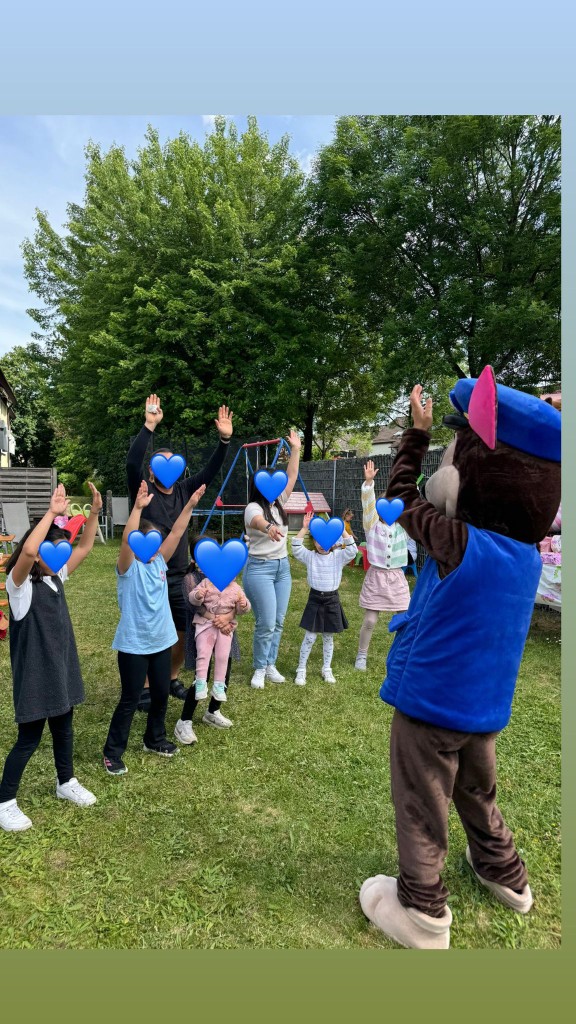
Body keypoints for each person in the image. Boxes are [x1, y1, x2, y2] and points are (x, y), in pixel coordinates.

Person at [0, 483, 102, 833]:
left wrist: (95, 514)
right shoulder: (20, 586)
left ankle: (65, 782)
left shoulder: (56, 576)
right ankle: (5, 802)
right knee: (29, 738)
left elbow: (86, 546)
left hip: (60, 668)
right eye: (51, 546)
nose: (58, 551)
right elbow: (27, 551)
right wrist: (51, 513)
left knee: (64, 728)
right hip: (35, 674)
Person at [126, 394, 234, 707]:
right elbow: (132, 462)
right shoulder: (143, 491)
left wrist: (224, 441)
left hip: (180, 576)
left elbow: (211, 472)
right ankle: (146, 687)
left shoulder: (185, 489)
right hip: (150, 576)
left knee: (182, 631)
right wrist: (149, 425)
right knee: (152, 635)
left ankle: (171, 678)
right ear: (152, 470)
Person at [102, 480, 206, 776]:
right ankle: (112, 753)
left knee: (161, 694)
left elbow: (176, 532)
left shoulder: (159, 562)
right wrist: (137, 508)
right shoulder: (128, 568)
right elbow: (125, 541)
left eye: (156, 542)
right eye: (146, 542)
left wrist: (189, 505)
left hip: (162, 641)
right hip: (134, 644)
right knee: (129, 698)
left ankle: (154, 739)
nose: (155, 546)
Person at [242, 430, 301, 689]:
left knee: (278, 621)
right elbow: (256, 521)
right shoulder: (252, 508)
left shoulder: (279, 502)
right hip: (259, 569)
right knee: (265, 622)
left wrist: (296, 450)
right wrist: (268, 528)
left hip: (283, 569)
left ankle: (269, 664)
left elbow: (291, 476)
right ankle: (258, 667)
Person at [174, 542, 242, 742]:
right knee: (201, 676)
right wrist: (218, 619)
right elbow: (192, 605)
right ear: (195, 559)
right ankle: (184, 721)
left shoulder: (227, 575)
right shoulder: (191, 579)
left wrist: (229, 617)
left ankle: (213, 711)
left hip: (224, 630)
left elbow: (235, 600)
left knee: (224, 670)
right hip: (202, 632)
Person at [355, 460, 410, 670]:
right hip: (376, 577)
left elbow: (413, 507)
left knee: (404, 620)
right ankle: (361, 655)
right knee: (370, 620)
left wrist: (407, 486)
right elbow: (367, 506)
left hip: (396, 577)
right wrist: (369, 483)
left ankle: (402, 656)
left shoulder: (403, 528)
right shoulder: (372, 526)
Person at [291, 512, 357, 685]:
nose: (322, 544)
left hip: (332, 600)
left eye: (326, 541)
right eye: (318, 540)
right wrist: (305, 528)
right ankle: (301, 669)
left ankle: (326, 668)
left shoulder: (338, 557)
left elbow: (352, 550)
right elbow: (296, 547)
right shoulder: (310, 557)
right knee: (310, 637)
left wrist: (342, 531)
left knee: (328, 637)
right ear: (314, 542)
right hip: (315, 599)